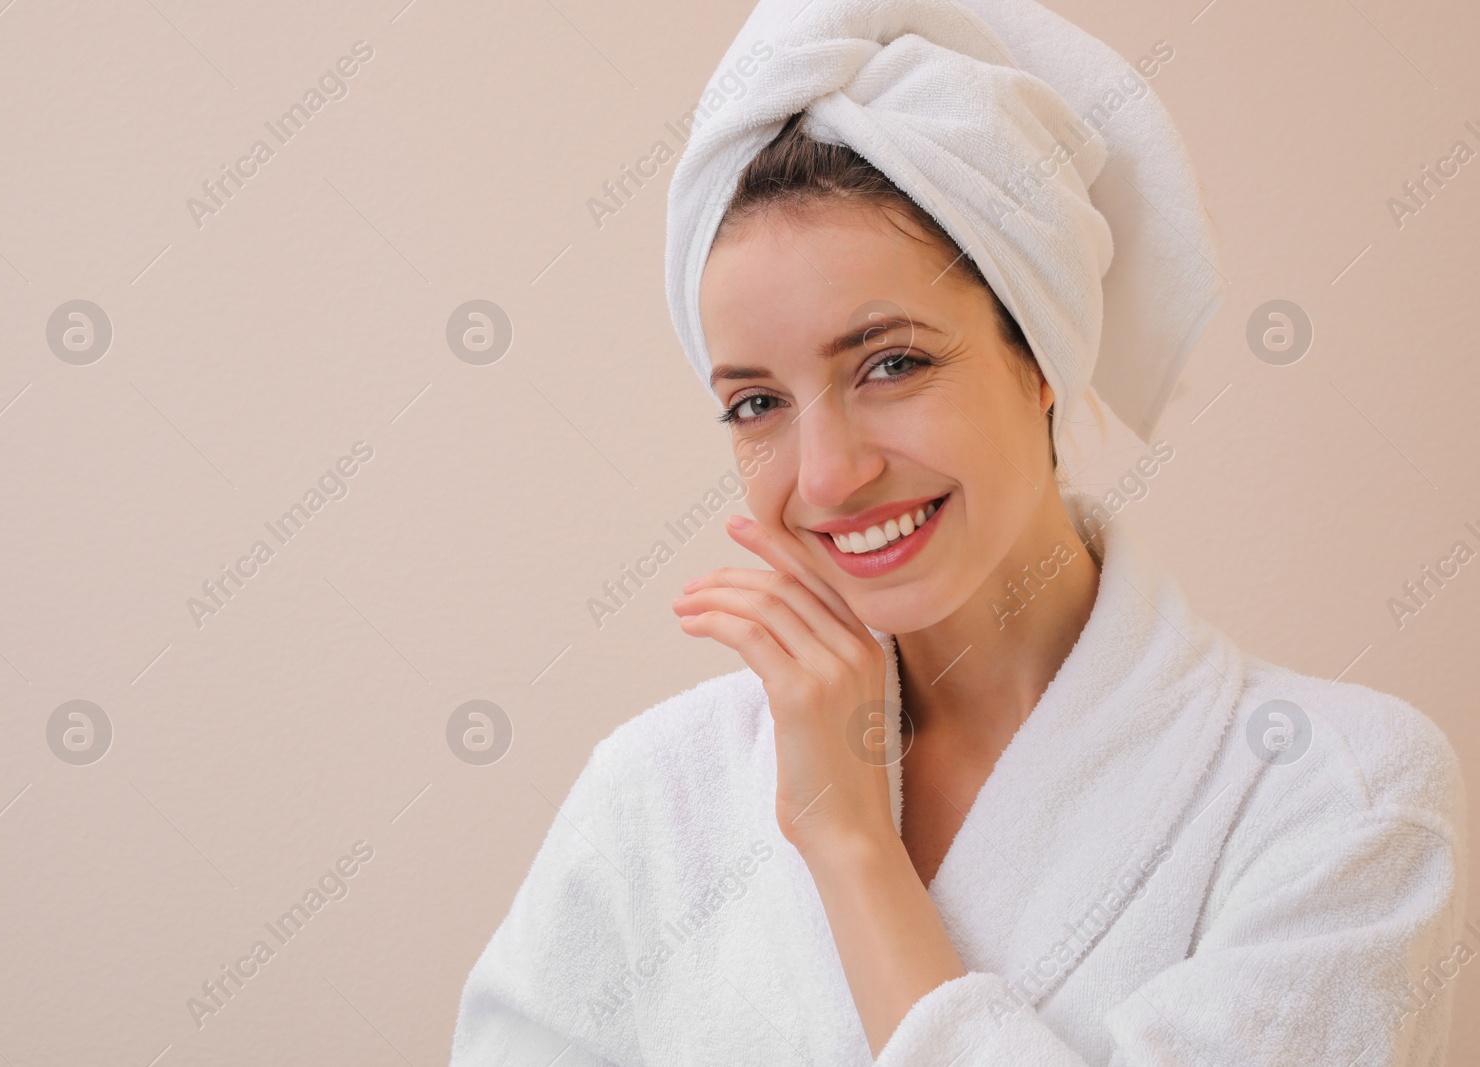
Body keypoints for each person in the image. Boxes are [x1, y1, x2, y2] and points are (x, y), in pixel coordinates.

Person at [450, 1, 1468, 1063]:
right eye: (756, 403)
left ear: (1039, 360)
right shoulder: (657, 791)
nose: (827, 473)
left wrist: (850, 847)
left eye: (890, 363)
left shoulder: (1335, 794)